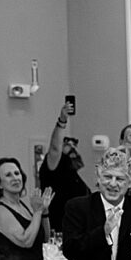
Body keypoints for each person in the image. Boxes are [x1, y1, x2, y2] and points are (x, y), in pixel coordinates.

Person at [40, 100, 89, 234]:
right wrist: (62, 121)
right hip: (59, 231)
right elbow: (55, 148)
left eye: (74, 144)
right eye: (67, 144)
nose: (72, 147)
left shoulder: (72, 174)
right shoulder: (53, 167)